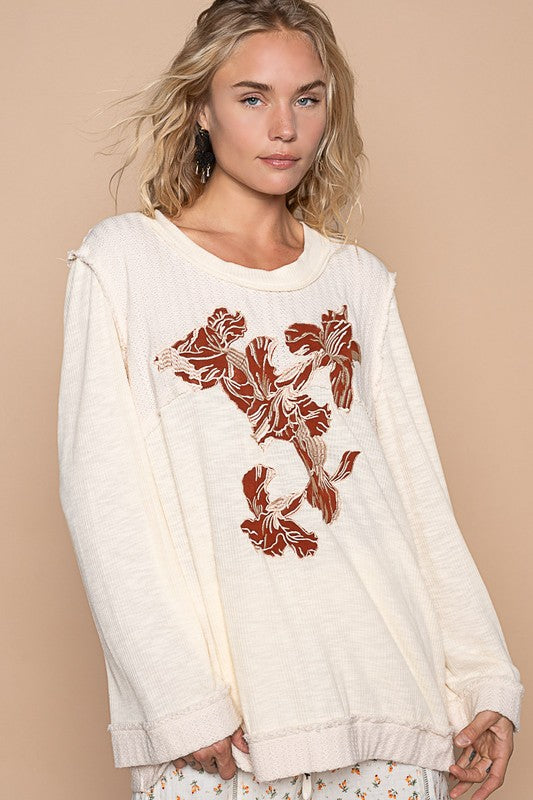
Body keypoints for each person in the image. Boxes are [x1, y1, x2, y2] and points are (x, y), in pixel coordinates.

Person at [57, 2, 524, 799]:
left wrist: (484, 679)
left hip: (390, 700)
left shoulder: (356, 281)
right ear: (201, 107)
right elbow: (103, 498)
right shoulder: (126, 263)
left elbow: (414, 494)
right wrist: (177, 699)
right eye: (252, 97)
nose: (284, 127)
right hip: (226, 724)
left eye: (307, 98)